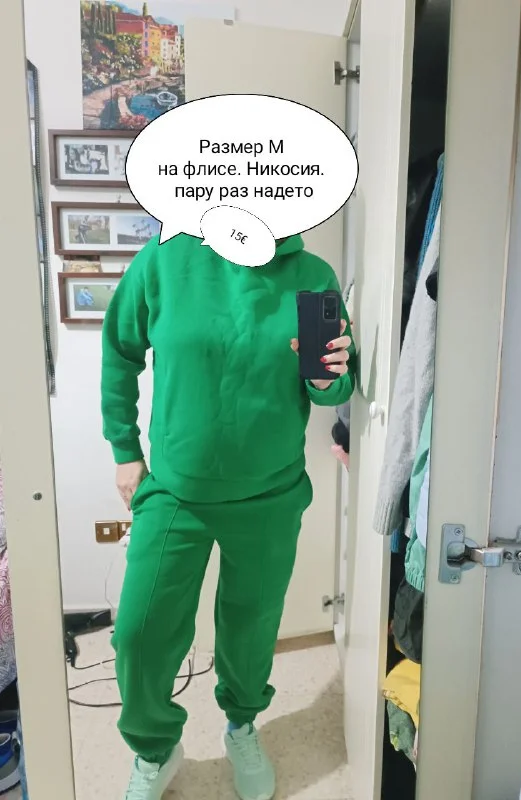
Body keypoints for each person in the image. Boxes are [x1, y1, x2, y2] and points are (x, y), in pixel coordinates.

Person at [101, 232, 356, 800]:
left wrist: (326, 376)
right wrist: (124, 449)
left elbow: (333, 386)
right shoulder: (162, 260)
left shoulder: (312, 275)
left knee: (252, 627)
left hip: (270, 494)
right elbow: (119, 350)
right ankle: (155, 748)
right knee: (139, 633)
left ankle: (242, 725)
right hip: (174, 491)